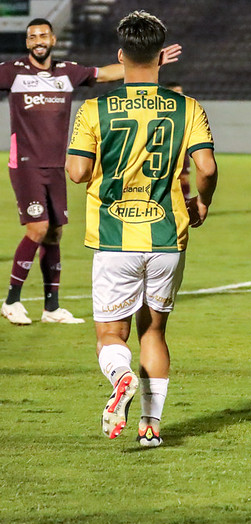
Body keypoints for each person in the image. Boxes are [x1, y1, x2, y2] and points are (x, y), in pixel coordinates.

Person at [65, 10, 218, 446]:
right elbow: (205, 167)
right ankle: (151, 426)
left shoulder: (94, 109)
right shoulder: (188, 108)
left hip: (114, 240)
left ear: (121, 55)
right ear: (159, 57)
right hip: (167, 235)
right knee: (154, 330)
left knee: (112, 334)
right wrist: (202, 201)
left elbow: (77, 172)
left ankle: (120, 377)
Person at [0, 18, 181, 325]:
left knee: (55, 234)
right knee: (38, 228)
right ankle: (12, 300)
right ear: (27, 42)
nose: (38, 40)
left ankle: (52, 308)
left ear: (53, 40)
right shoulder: (12, 71)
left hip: (58, 165)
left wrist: (149, 61)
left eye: (44, 34)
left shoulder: (66, 72)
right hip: (26, 164)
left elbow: (107, 73)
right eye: (33, 36)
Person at [163, 81, 192, 200]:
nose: (181, 94)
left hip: (181, 149)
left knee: (184, 177)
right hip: (164, 151)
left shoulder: (185, 109)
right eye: (177, 91)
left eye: (181, 91)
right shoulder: (160, 111)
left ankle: (186, 202)